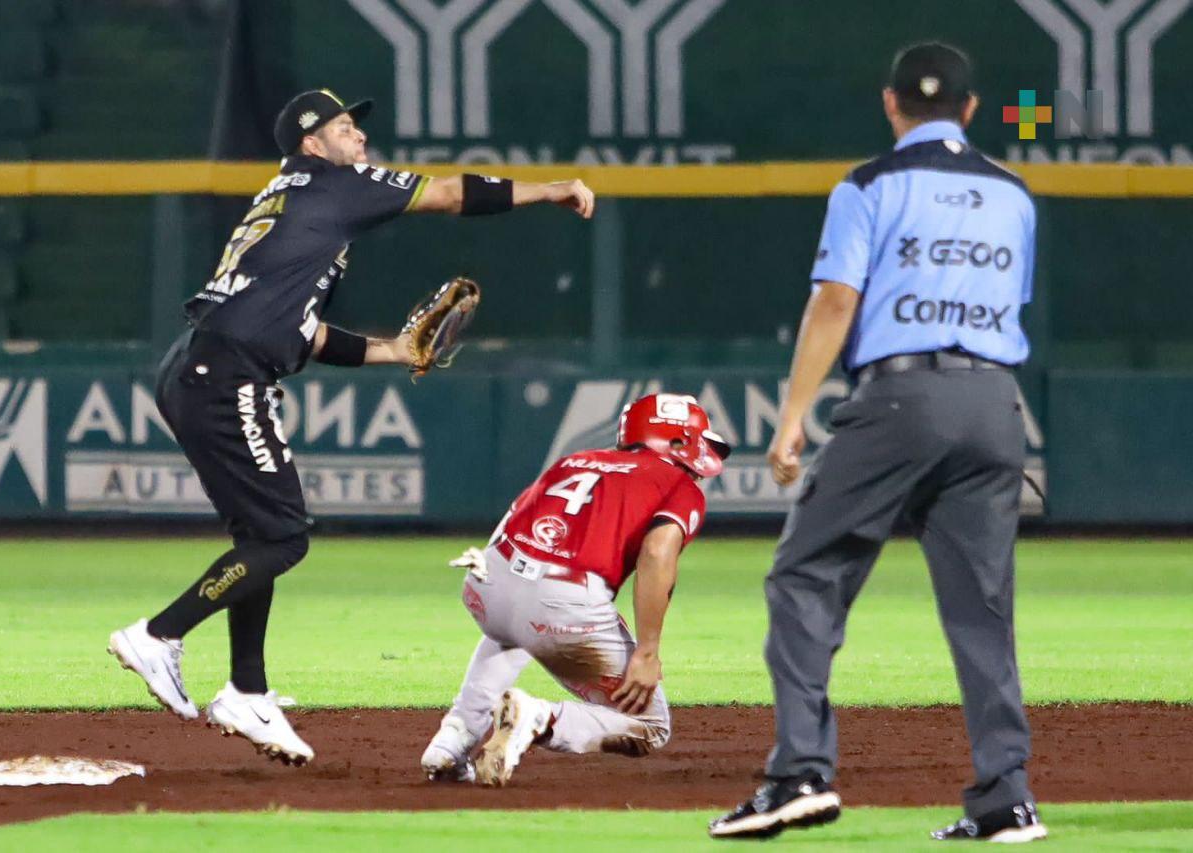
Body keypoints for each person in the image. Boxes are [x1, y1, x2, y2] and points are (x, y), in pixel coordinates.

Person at [108, 88, 595, 765]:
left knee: (261, 534)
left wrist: (390, 350)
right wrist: (552, 189)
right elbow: (453, 193)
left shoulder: (288, 197)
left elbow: (299, 330)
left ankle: (247, 688)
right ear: (313, 142)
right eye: (344, 127)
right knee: (282, 538)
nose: (359, 138)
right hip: (226, 374)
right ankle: (159, 633)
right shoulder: (336, 184)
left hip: (201, 365)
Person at [709, 44, 1047, 842]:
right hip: (997, 403)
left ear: (891, 105)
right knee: (983, 609)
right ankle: (1007, 797)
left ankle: (799, 773)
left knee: (805, 575)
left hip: (902, 397)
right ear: (970, 110)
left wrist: (792, 415)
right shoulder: (1015, 194)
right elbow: (1011, 299)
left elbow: (835, 301)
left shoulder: (868, 184)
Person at [419, 393, 729, 786]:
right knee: (650, 725)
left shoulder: (575, 460)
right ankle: (539, 719)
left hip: (488, 581)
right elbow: (656, 554)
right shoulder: (679, 485)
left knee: (512, 631)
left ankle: (453, 742)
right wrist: (648, 651)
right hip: (564, 600)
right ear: (678, 443)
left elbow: (511, 522)